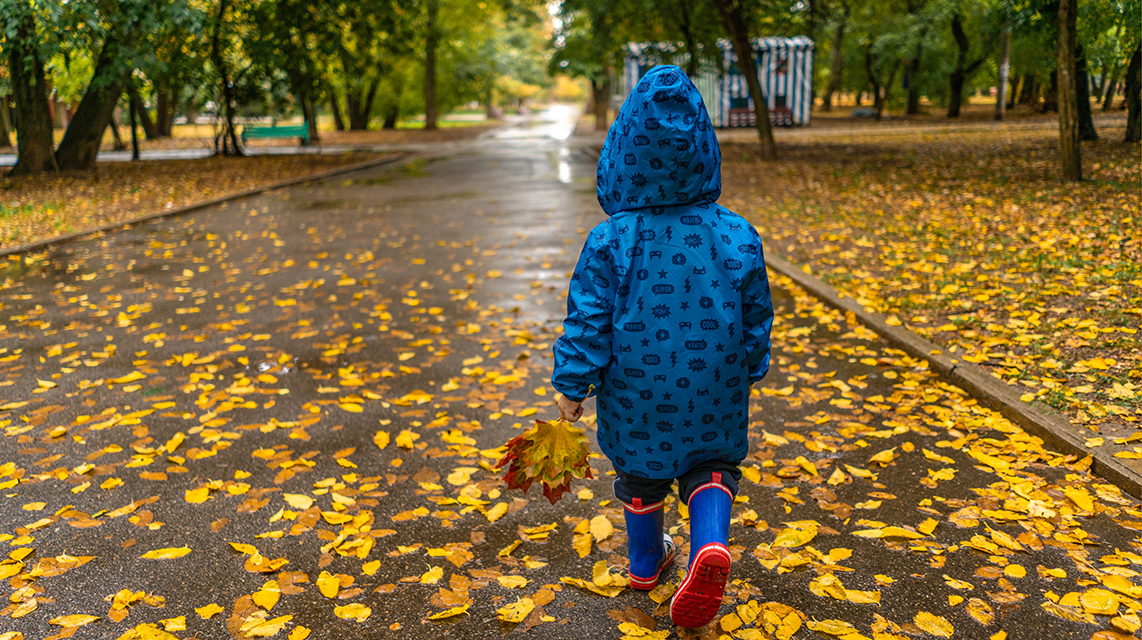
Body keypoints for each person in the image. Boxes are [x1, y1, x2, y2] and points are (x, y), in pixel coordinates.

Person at [552, 65, 774, 629]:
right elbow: (755, 312)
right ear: (704, 148)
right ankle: (709, 545)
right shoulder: (736, 233)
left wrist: (572, 384)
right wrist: (751, 365)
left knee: (640, 473)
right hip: (715, 384)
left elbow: (588, 318)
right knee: (713, 465)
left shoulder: (611, 240)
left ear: (623, 151)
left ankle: (646, 563)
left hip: (637, 392)